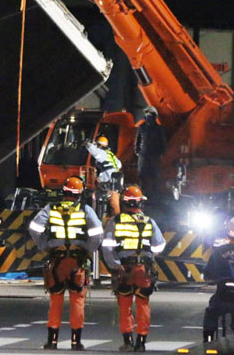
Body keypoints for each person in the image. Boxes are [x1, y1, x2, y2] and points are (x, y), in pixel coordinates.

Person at [29, 177, 103, 350]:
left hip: (57, 261)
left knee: (56, 301)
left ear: (64, 191)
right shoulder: (86, 210)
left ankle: (52, 341)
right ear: (80, 194)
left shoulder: (51, 208)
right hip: (77, 261)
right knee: (77, 301)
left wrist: (44, 245)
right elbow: (98, 232)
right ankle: (76, 342)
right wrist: (87, 249)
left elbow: (34, 228)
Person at [102, 185, 166, 352]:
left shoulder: (115, 221)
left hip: (124, 269)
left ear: (124, 203)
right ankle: (141, 342)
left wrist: (116, 265)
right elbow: (159, 246)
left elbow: (107, 247)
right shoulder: (149, 222)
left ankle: (127, 341)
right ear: (140, 203)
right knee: (143, 304)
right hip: (143, 269)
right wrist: (149, 256)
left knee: (124, 305)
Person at [135, 106, 166, 196]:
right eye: (147, 115)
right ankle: (143, 193)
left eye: (150, 115)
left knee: (154, 175)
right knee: (142, 175)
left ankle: (155, 193)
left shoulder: (158, 128)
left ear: (154, 117)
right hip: (144, 155)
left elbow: (162, 141)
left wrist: (161, 152)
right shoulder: (141, 127)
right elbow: (138, 140)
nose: (148, 117)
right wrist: (137, 151)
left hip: (154, 155)